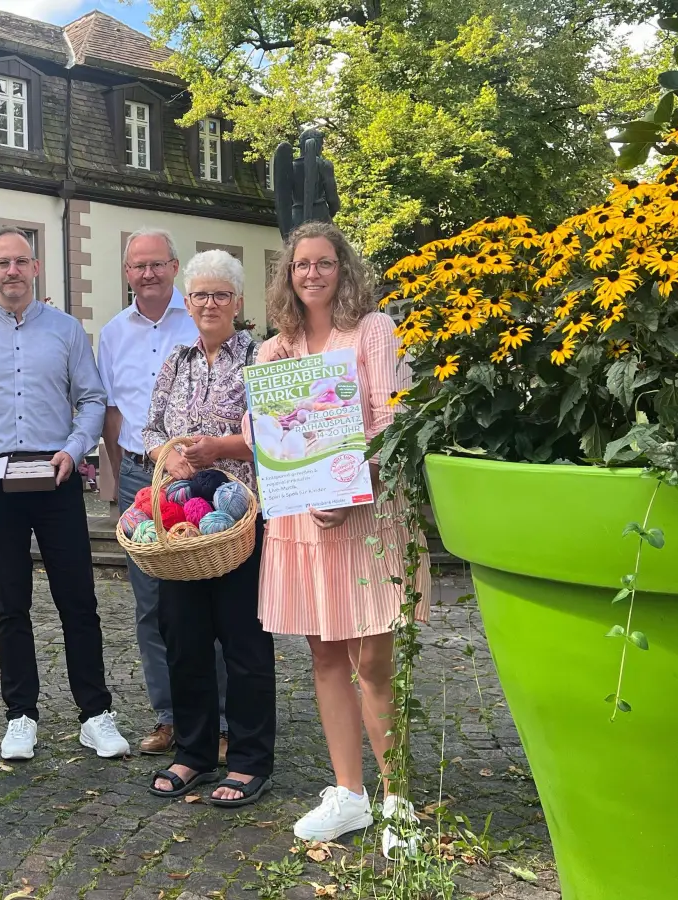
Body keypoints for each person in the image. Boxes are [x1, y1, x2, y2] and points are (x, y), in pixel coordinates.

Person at [252, 222, 431, 854]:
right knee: (325, 655)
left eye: (324, 263)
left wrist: (352, 483)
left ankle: (397, 798)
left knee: (373, 660)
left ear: (342, 269)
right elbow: (270, 440)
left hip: (366, 513)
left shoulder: (374, 332)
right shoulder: (272, 353)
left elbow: (389, 417)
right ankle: (350, 794)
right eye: (301, 264)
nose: (312, 273)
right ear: (288, 274)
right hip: (304, 521)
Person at [0, 226, 130, 762]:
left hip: (55, 474)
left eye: (21, 261)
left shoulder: (67, 331)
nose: (12, 271)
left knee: (78, 599)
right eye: (2, 263)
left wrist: (74, 449)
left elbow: (91, 399)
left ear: (36, 268)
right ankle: (20, 714)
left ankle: (95, 713)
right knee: (10, 602)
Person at [141, 250, 275, 807]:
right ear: (187, 301)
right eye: (199, 295)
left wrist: (222, 448)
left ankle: (248, 759)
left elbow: (282, 432)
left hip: (240, 516)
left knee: (243, 641)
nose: (210, 304)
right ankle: (193, 752)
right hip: (180, 526)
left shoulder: (261, 357)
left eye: (221, 295)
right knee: (184, 637)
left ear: (238, 302)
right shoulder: (177, 359)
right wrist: (167, 455)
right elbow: (150, 427)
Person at [97, 229, 232, 762]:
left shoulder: (199, 315)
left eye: (157, 264)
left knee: (211, 603)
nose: (147, 274)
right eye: (137, 266)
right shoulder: (112, 333)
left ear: (175, 267)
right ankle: (171, 717)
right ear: (127, 272)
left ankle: (220, 722)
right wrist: (112, 477)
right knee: (151, 606)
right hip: (139, 475)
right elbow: (112, 410)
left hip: (204, 475)